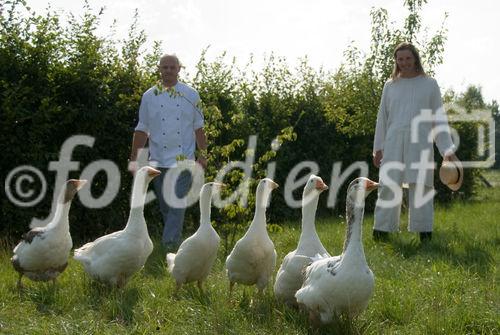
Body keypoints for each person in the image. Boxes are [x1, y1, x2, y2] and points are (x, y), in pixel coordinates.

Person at [372, 42, 459, 242]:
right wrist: (378, 148)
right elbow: (382, 118)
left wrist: (447, 149)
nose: (404, 63)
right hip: (393, 142)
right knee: (388, 185)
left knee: (421, 186)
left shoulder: (429, 84)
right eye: (400, 59)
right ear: (396, 61)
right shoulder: (390, 85)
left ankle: (424, 234)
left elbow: (438, 118)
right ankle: (381, 232)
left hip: (420, 143)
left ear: (416, 59)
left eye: (408, 58)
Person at [129, 54, 207, 250]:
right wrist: (134, 159)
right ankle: (172, 239)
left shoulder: (191, 95)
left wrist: (203, 155)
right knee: (166, 207)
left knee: (176, 204)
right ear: (159, 69)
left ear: (179, 69)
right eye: (165, 67)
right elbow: (142, 129)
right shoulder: (149, 96)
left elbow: (199, 128)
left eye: (172, 67)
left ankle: (169, 245)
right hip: (158, 160)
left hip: (184, 160)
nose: (168, 71)